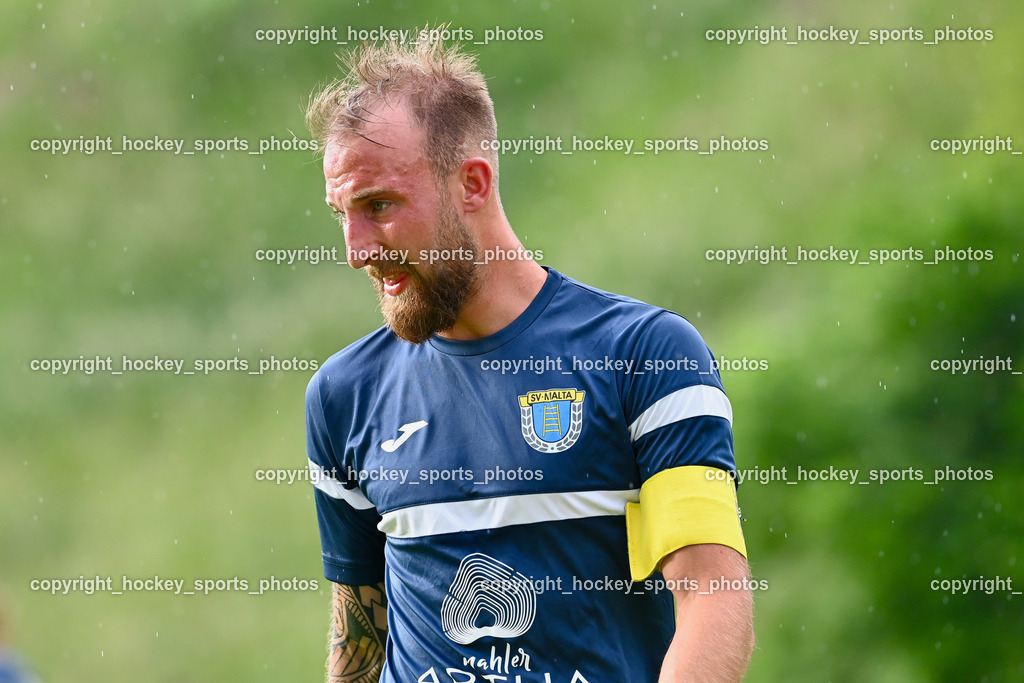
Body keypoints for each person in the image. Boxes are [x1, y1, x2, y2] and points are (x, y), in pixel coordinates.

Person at [303, 34, 754, 683]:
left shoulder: (649, 357)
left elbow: (713, 594)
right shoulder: (343, 395)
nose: (355, 248)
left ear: (473, 184)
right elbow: (360, 638)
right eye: (342, 213)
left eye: (379, 206)